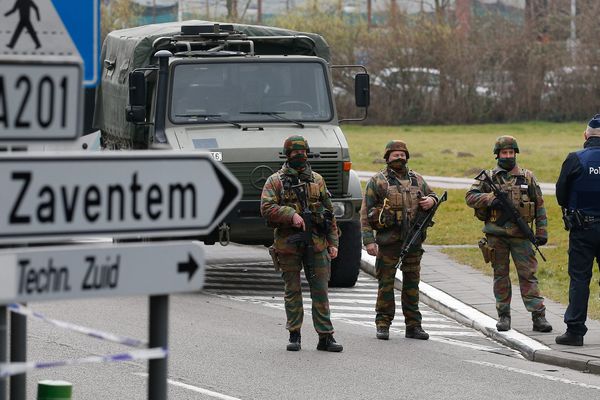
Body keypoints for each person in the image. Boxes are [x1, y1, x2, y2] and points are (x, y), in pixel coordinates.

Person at [260, 135, 343, 352]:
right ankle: (294, 334)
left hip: (316, 243)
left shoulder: (317, 180)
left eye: (304, 152)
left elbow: (329, 213)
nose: (301, 156)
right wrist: (290, 215)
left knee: (321, 290)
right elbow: (266, 208)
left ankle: (325, 336)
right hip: (288, 243)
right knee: (293, 290)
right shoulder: (275, 181)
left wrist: (333, 242)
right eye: (296, 153)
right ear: (288, 155)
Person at [465, 135, 552, 333]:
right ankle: (504, 316)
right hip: (496, 236)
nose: (508, 156)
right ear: (497, 155)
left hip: (521, 236)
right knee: (500, 276)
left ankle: (538, 316)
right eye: (504, 153)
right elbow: (470, 197)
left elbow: (539, 205)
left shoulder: (527, 177)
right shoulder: (488, 178)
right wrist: (490, 199)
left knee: (528, 276)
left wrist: (541, 232)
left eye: (511, 152)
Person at [360, 140, 439, 341]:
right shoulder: (377, 182)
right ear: (387, 157)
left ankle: (413, 325)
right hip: (388, 242)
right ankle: (383, 324)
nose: (399, 157)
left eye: (402, 154)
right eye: (395, 154)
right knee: (386, 284)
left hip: (413, 241)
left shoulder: (418, 180)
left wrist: (432, 200)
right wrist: (369, 241)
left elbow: (433, 196)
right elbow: (364, 213)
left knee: (412, 284)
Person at [555, 115, 600, 346]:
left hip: (583, 228)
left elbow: (561, 193)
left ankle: (574, 332)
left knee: (580, 279)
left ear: (586, 136)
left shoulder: (575, 159)